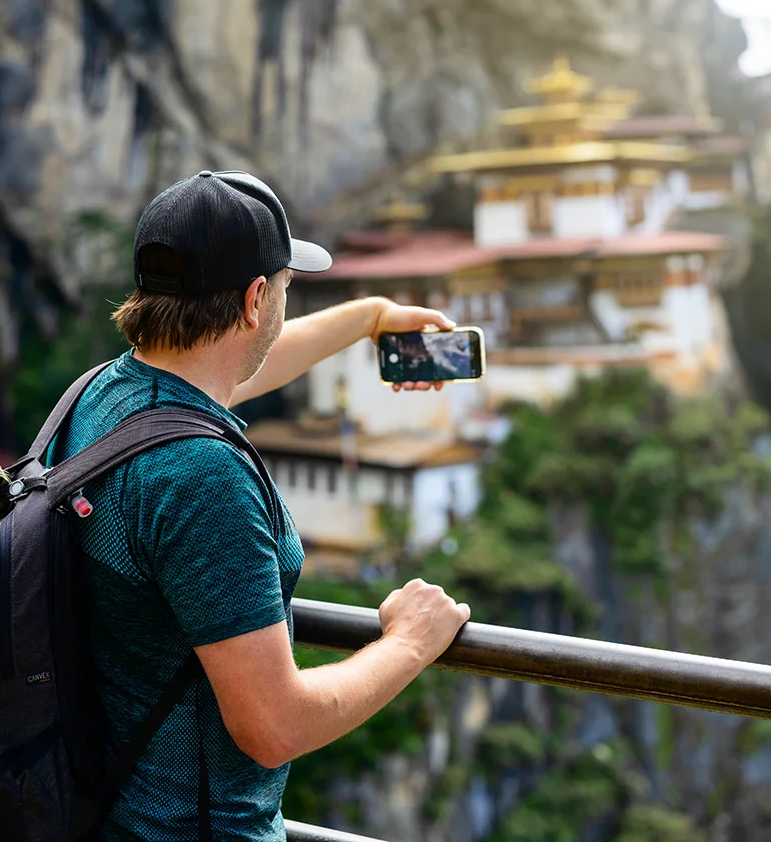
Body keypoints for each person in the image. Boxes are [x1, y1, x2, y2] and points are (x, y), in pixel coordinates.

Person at [47, 169, 470, 842]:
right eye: (283, 288)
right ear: (254, 300)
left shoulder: (100, 397)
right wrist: (413, 641)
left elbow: (243, 367)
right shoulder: (202, 477)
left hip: (97, 809)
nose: (282, 305)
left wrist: (368, 319)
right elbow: (274, 726)